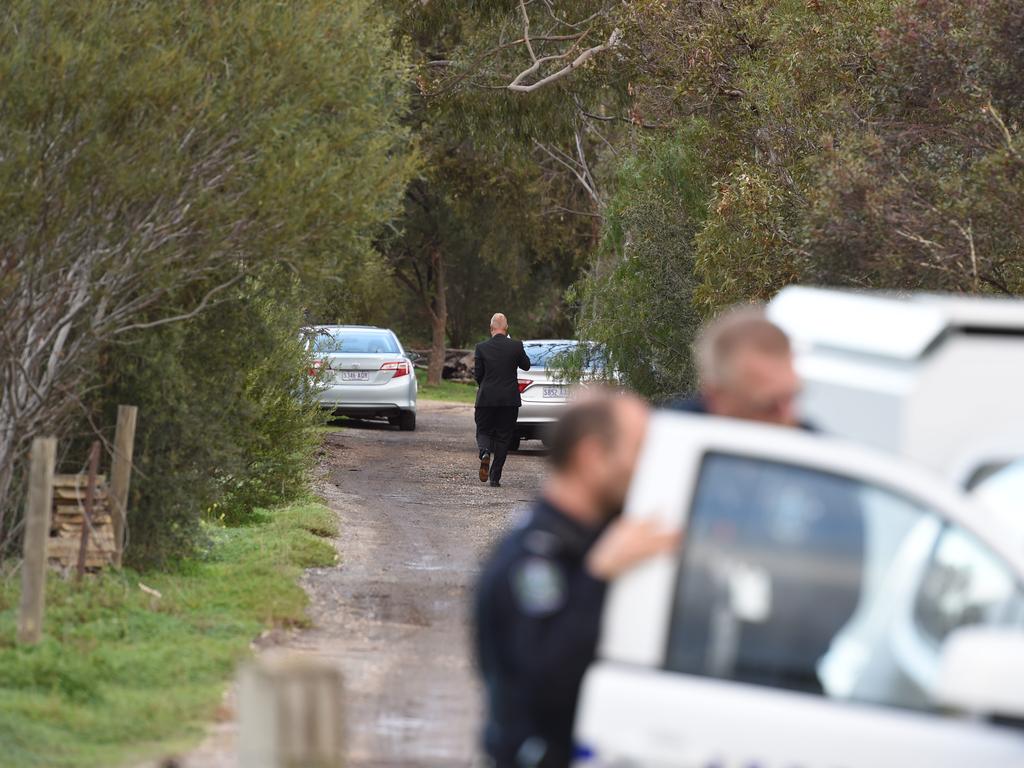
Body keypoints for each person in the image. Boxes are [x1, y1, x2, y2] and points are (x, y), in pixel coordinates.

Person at [474, 392, 680, 768]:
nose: (648, 467)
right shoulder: (533, 559)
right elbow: (543, 676)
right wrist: (597, 575)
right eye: (639, 451)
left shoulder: (586, 539)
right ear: (591, 456)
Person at [668, 304, 802, 426]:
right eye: (769, 407)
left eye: (791, 397)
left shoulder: (810, 442)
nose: (789, 415)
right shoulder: (668, 438)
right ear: (716, 398)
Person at [474, 313, 532, 487]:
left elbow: (478, 374)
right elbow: (526, 365)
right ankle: (495, 477)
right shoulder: (516, 346)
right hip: (509, 400)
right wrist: (516, 348)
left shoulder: (481, 347)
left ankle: (484, 452)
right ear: (506, 328)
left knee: (483, 430)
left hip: (486, 398)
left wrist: (485, 386)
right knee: (504, 437)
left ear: (491, 328)